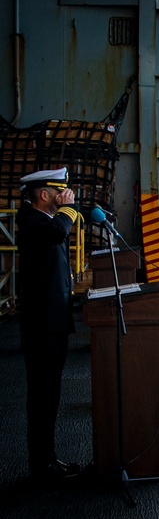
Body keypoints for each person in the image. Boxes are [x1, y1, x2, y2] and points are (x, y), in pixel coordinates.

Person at [15, 167, 84, 480]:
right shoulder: (32, 221)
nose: (65, 195)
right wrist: (69, 208)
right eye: (60, 191)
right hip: (43, 327)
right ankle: (42, 466)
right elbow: (59, 232)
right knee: (43, 397)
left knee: (48, 396)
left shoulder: (39, 221)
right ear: (44, 195)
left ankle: (46, 460)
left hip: (50, 324)